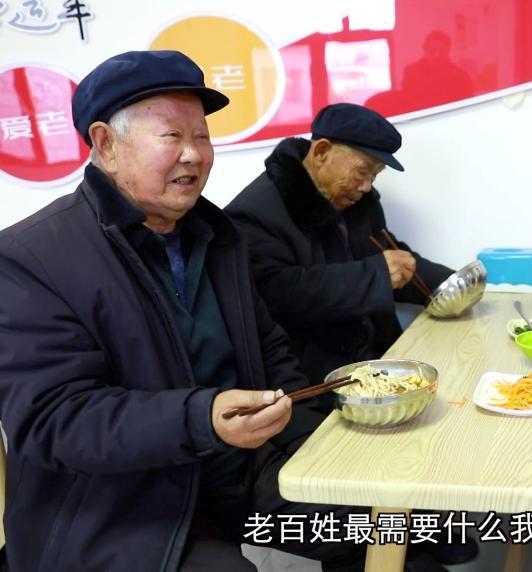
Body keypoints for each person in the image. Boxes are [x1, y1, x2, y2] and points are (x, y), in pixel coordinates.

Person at [0, 50, 372, 571]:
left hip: (236, 473)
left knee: (381, 519)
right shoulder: (30, 257)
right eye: (172, 136)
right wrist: (200, 418)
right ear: (106, 145)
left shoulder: (217, 236)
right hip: (121, 505)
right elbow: (54, 420)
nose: (194, 155)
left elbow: (267, 348)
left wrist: (311, 447)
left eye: (202, 136)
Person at [226, 104, 455, 396]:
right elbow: (276, 294)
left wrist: (450, 284)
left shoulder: (357, 201)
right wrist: (376, 276)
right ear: (322, 152)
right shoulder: (254, 213)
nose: (366, 186)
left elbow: (390, 256)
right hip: (313, 382)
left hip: (380, 364)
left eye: (375, 175)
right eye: (363, 171)